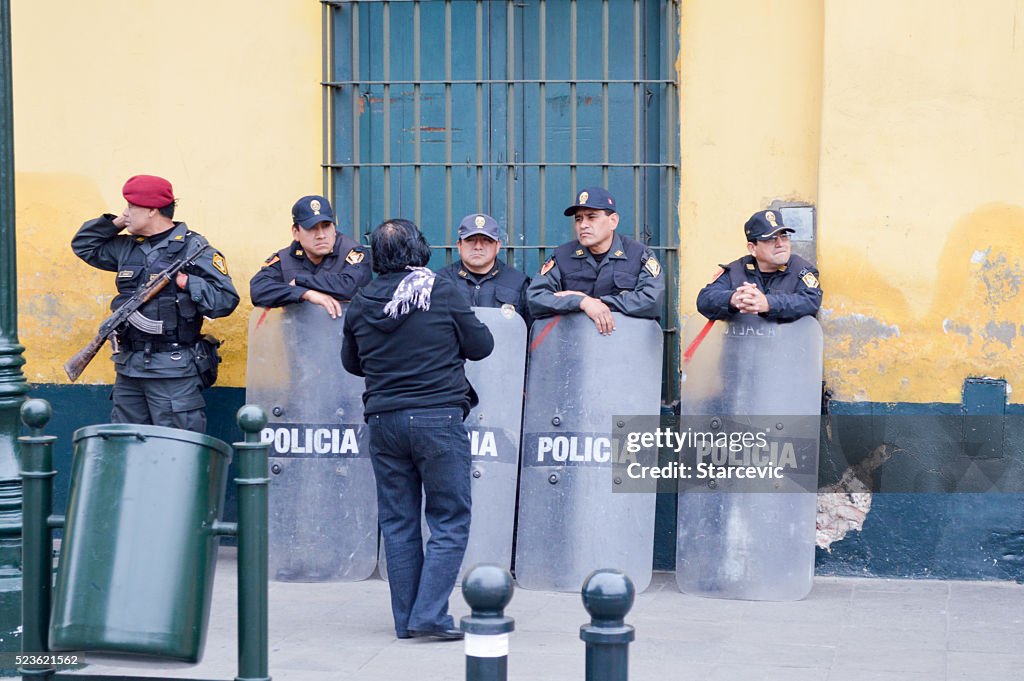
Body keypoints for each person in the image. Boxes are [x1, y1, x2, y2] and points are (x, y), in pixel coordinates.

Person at [341, 218, 494, 641]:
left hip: (384, 421)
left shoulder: (361, 300)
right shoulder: (441, 291)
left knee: (398, 522)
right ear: (420, 250)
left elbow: (351, 363)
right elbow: (481, 347)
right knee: (448, 519)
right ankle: (429, 614)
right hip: (437, 420)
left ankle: (406, 620)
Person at [71, 174, 239, 433]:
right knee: (125, 447)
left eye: (130, 207)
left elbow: (225, 300)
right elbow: (84, 245)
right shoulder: (126, 247)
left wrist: (186, 283)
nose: (125, 213)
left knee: (175, 451)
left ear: (152, 210)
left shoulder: (195, 249)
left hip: (173, 371)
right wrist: (115, 223)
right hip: (129, 370)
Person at [526, 186, 665, 335]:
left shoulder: (638, 255)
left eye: (592, 217)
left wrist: (597, 303)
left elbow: (651, 300)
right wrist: (581, 302)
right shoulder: (562, 256)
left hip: (625, 345)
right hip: (574, 345)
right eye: (578, 219)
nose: (583, 225)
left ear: (613, 221)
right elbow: (536, 297)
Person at [249, 195, 370, 318]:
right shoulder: (285, 259)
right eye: (312, 228)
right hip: (298, 335)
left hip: (343, 334)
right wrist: (305, 293)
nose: (321, 235)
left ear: (334, 228)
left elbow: (350, 286)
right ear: (296, 233)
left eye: (326, 226)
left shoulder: (351, 252)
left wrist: (300, 281)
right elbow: (258, 290)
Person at [696, 209, 822, 322]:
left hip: (786, 346)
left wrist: (768, 304)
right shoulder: (736, 270)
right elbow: (704, 299)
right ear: (752, 248)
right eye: (771, 238)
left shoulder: (801, 269)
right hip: (741, 346)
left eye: (784, 237)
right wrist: (734, 299)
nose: (780, 244)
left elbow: (811, 301)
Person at [434, 212, 531, 326]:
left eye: (486, 240)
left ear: (498, 246)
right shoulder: (440, 281)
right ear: (459, 245)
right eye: (470, 240)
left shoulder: (518, 283)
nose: (478, 246)